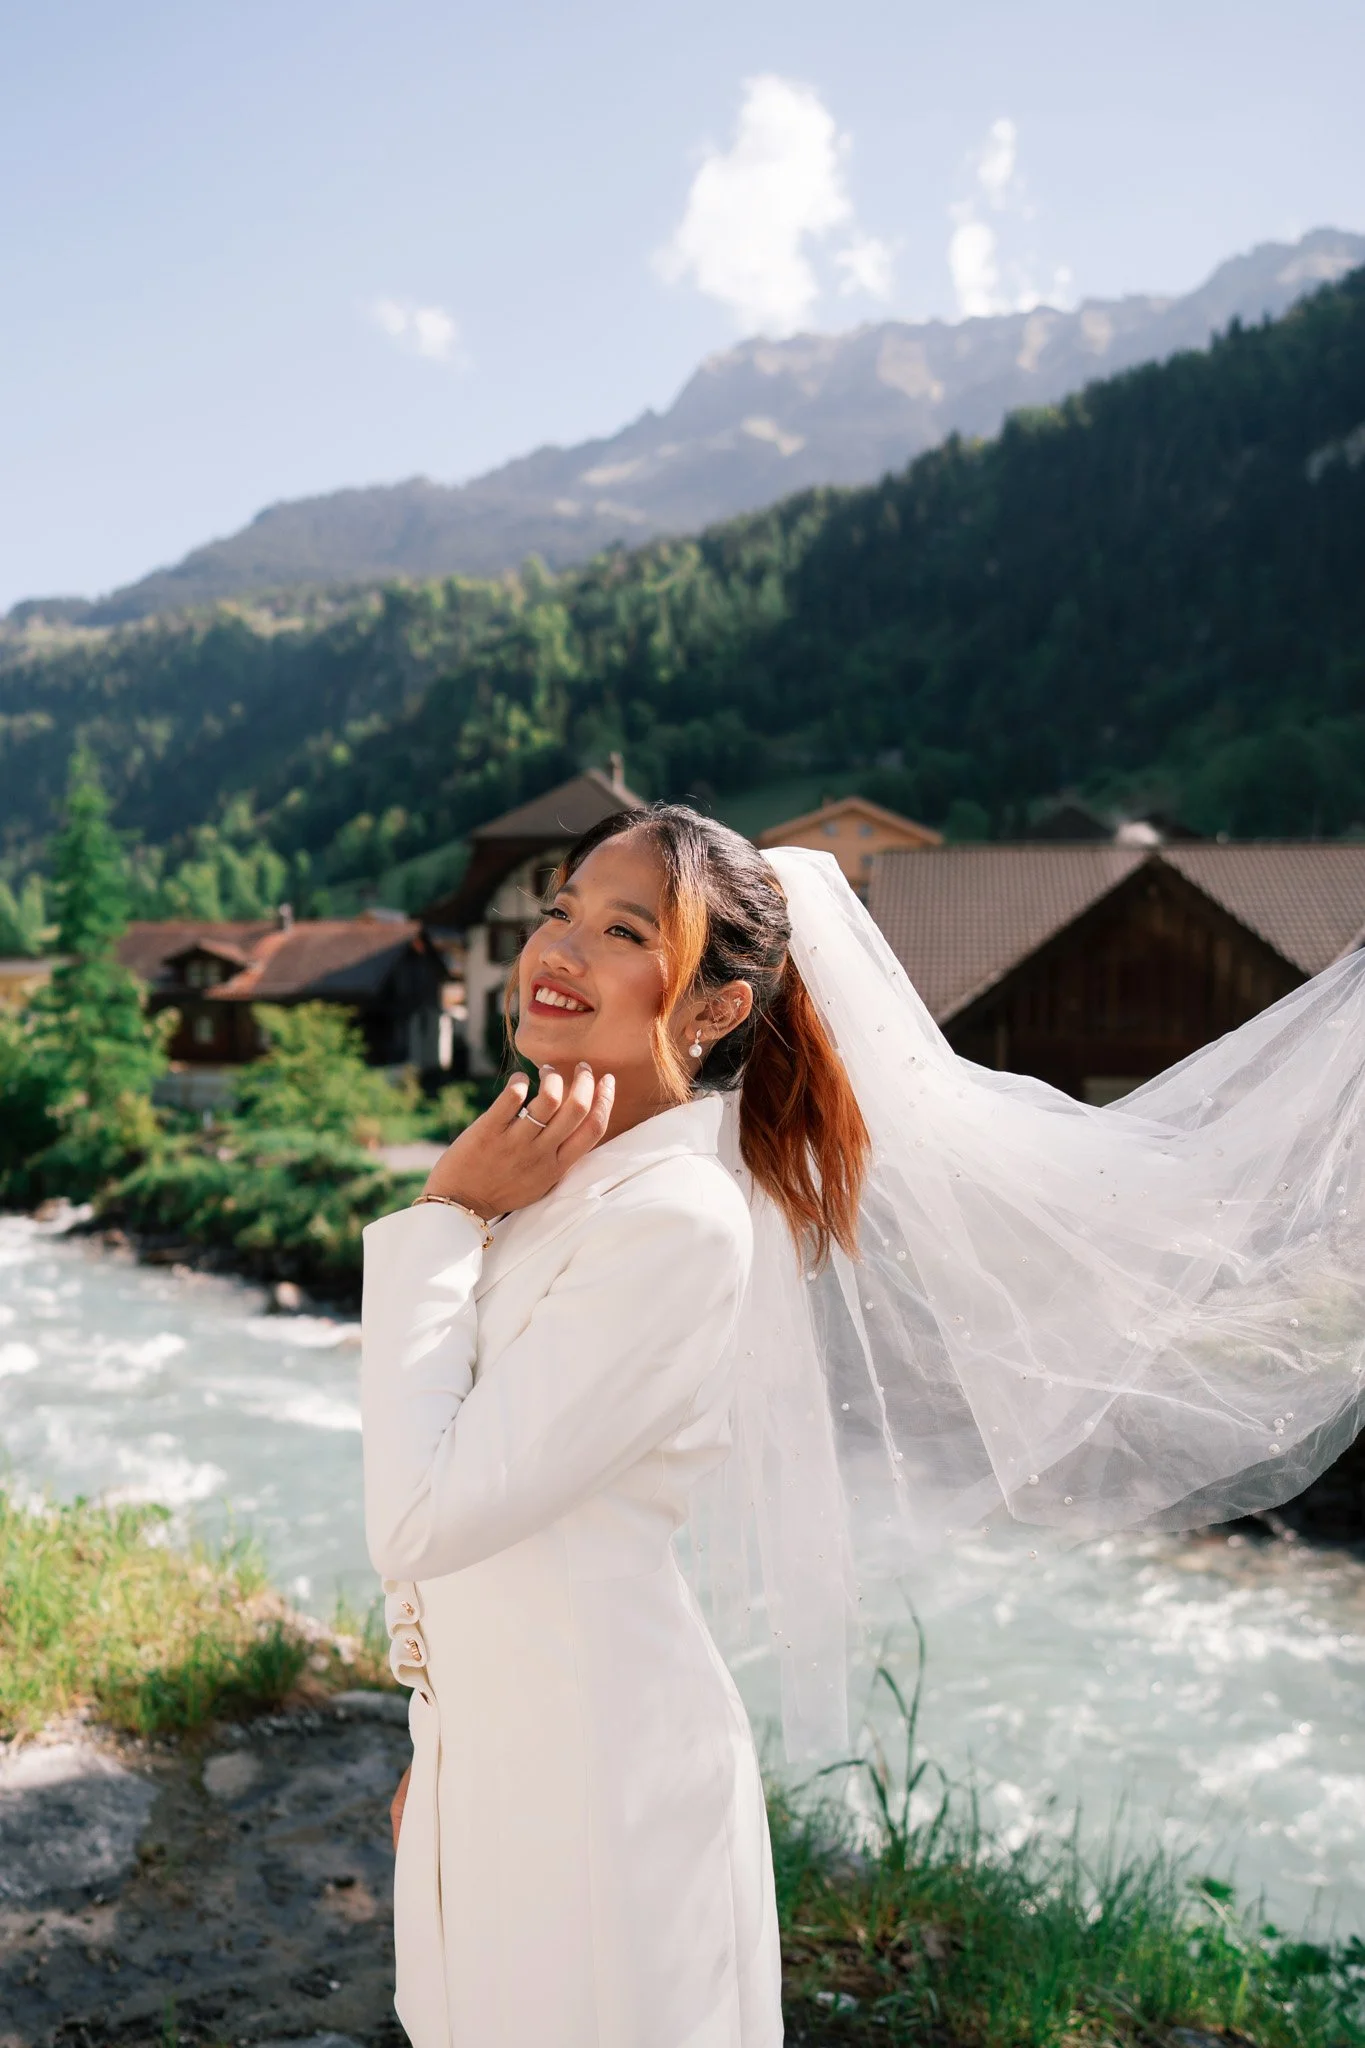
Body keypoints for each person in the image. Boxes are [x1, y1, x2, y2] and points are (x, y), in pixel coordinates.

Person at [362, 803, 1365, 2048]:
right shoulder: (562, 1178)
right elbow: (500, 1516)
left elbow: (422, 1510)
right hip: (509, 1758)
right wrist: (446, 1741)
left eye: (623, 930)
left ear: (717, 1008)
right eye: (560, 909)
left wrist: (440, 1211)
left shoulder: (676, 1223)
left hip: (601, 1790)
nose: (559, 949)